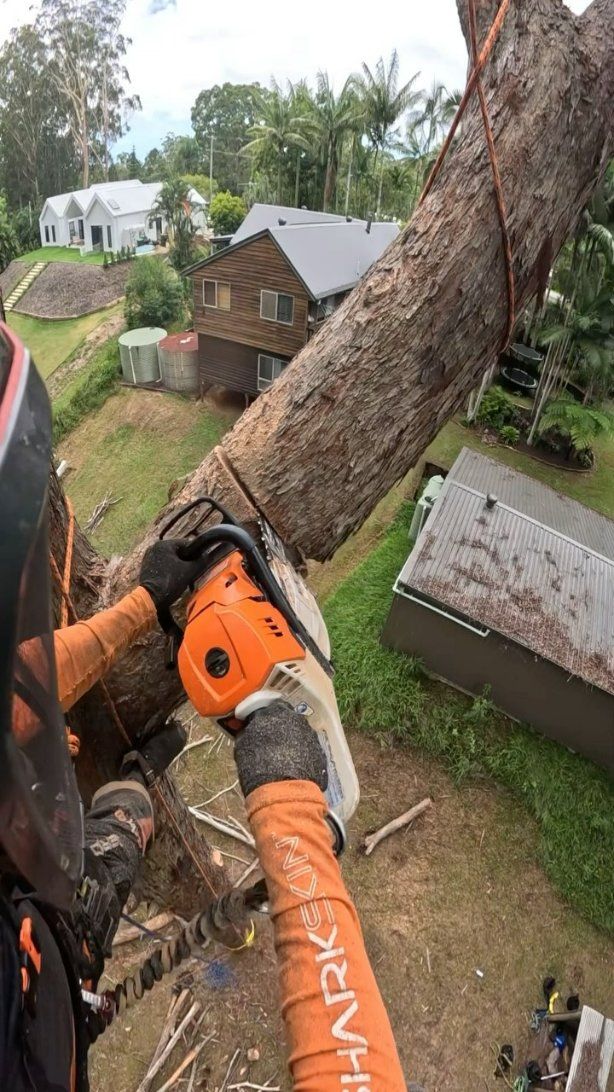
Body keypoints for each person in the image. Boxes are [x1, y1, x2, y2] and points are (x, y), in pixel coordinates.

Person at [0, 321, 408, 1091]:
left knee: (126, 803)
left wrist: (137, 609)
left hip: (42, 948)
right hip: (37, 1019)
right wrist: (293, 823)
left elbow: (14, 689)